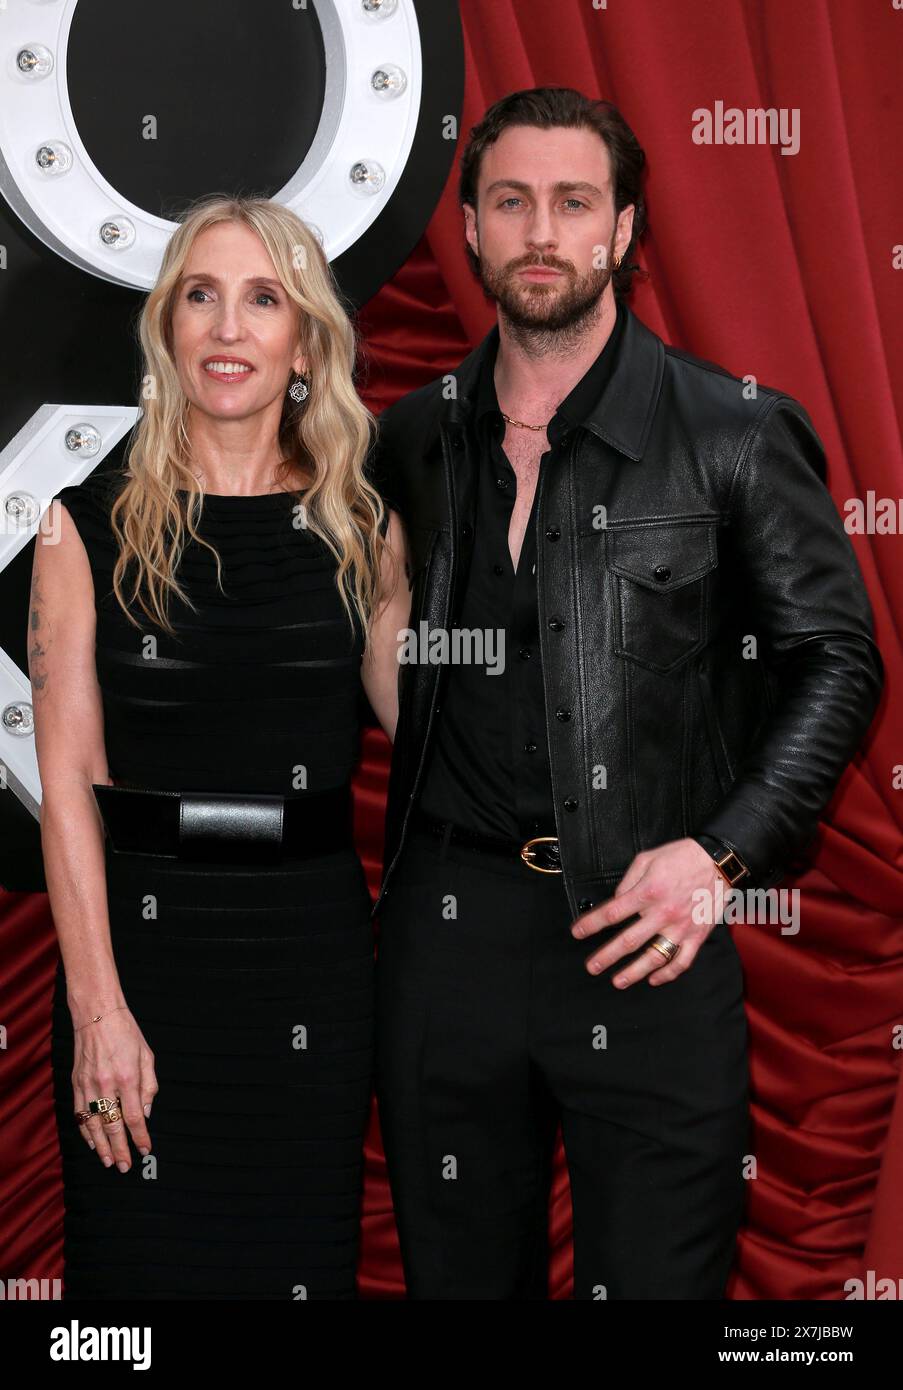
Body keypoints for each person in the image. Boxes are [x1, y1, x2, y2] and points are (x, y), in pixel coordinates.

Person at [369, 87, 884, 1299]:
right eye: (511, 202)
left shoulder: (733, 432)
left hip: (649, 934)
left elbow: (838, 659)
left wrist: (720, 855)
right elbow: (394, 657)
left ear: (623, 230)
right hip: (451, 940)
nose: (540, 230)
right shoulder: (409, 439)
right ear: (476, 230)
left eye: (572, 202)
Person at [31, 195, 409, 1299]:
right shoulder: (81, 526)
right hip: (143, 972)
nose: (229, 327)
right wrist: (98, 1010)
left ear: (304, 343)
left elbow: (441, 727)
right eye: (202, 295)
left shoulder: (360, 530)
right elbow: (68, 792)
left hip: (309, 969)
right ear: (168, 327)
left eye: (262, 299)